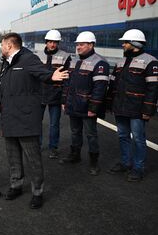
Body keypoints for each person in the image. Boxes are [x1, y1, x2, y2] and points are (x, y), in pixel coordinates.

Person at [0, 32, 68, 209]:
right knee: (13, 157)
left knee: (33, 158)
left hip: (26, 117)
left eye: (1, 44)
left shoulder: (28, 59)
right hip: (9, 116)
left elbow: (42, 73)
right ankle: (16, 185)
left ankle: (37, 191)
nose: (0, 47)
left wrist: (52, 77)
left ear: (9, 45)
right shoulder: (7, 63)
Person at [107, 29, 158, 182]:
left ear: (134, 43)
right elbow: (113, 85)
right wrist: (110, 104)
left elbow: (153, 89)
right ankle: (125, 163)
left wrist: (148, 109)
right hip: (121, 107)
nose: (123, 45)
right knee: (123, 136)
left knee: (138, 138)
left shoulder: (150, 61)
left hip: (137, 109)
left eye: (125, 42)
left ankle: (138, 168)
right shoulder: (121, 62)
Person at [61, 31, 110, 176]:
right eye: (77, 44)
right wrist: (64, 100)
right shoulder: (74, 60)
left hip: (88, 107)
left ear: (91, 44)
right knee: (75, 132)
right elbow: (66, 83)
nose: (78, 47)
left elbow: (100, 88)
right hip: (73, 104)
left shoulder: (100, 62)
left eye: (81, 44)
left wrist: (93, 107)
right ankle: (75, 155)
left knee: (91, 135)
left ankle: (94, 162)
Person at [37, 30, 72, 159]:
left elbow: (67, 78)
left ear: (58, 43)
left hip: (56, 94)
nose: (52, 45)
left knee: (54, 123)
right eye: (50, 42)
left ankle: (53, 147)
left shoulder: (65, 56)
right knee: (37, 122)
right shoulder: (38, 55)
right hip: (39, 93)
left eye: (55, 42)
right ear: (46, 42)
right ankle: (38, 145)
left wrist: (65, 97)